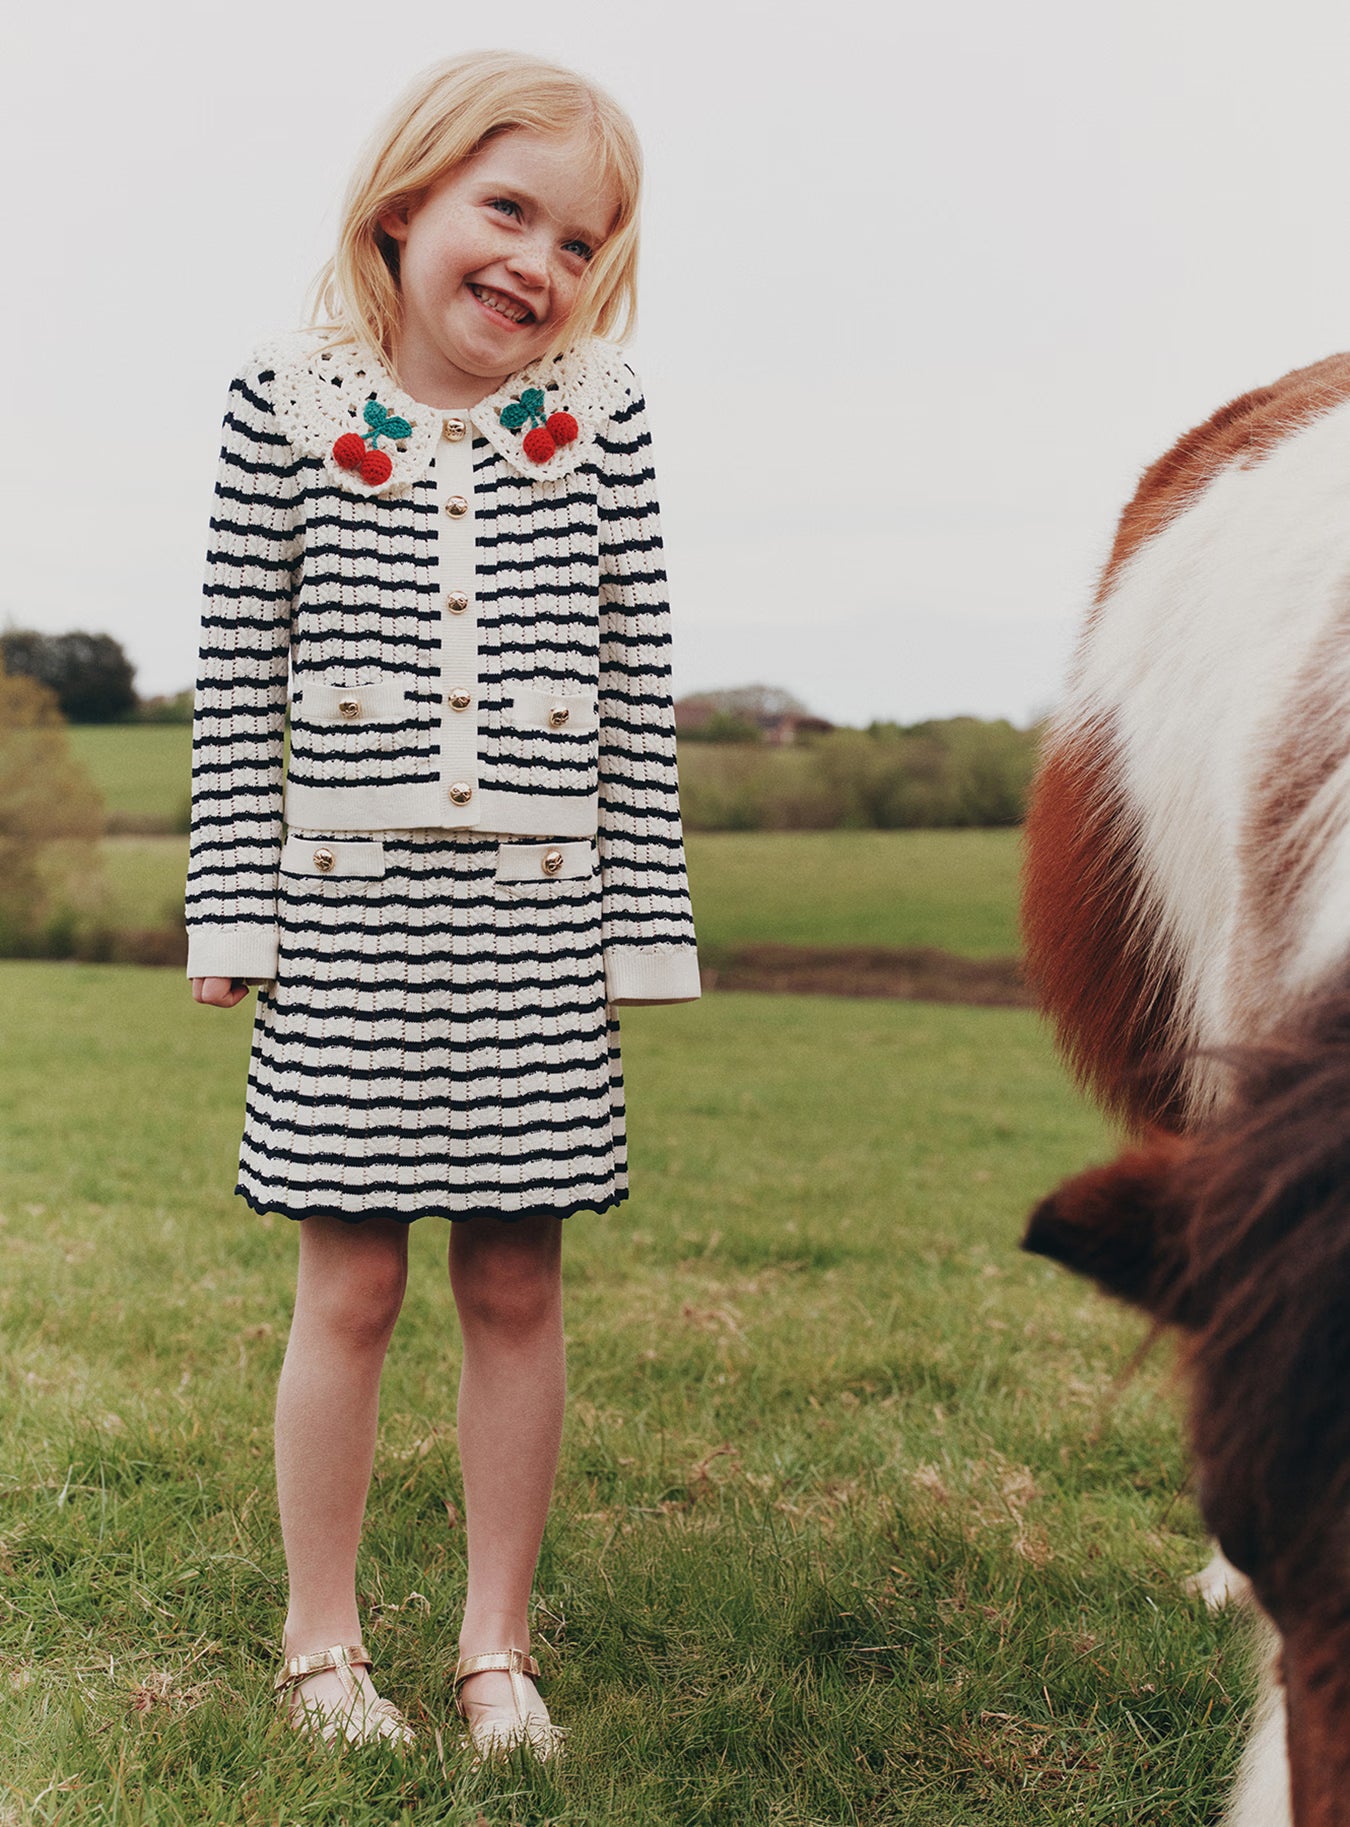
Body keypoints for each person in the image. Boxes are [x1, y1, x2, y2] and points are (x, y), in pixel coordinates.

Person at [184, 49, 699, 1759]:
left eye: (579, 240)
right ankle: (319, 1646)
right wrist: (231, 914)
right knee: (348, 1286)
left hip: (542, 923)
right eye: (508, 210)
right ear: (404, 205)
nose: (537, 263)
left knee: (515, 1284)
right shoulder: (285, 406)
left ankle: (495, 1651)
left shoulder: (603, 422)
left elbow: (636, 679)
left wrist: (645, 927)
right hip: (343, 915)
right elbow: (233, 674)